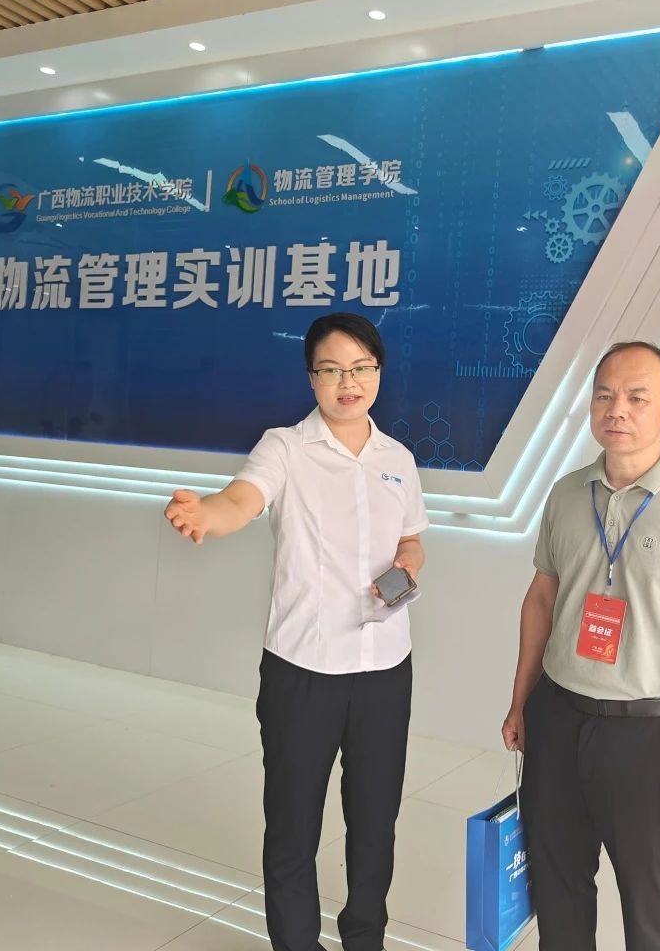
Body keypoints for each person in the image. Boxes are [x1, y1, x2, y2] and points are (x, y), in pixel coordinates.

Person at [163, 312, 429, 951]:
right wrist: (207, 515)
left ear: (378, 372)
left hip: (385, 670)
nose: (348, 382)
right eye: (332, 370)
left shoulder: (398, 458)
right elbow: (242, 499)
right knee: (292, 825)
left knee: (375, 822)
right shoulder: (284, 447)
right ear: (311, 378)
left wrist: (408, 564)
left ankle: (365, 938)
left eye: (361, 368)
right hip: (303, 669)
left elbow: (412, 538)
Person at [501, 340, 660, 951]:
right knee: (558, 884)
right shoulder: (565, 493)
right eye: (605, 396)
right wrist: (521, 701)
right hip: (558, 714)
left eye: (638, 397)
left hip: (646, 732)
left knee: (651, 899)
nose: (618, 410)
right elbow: (541, 599)